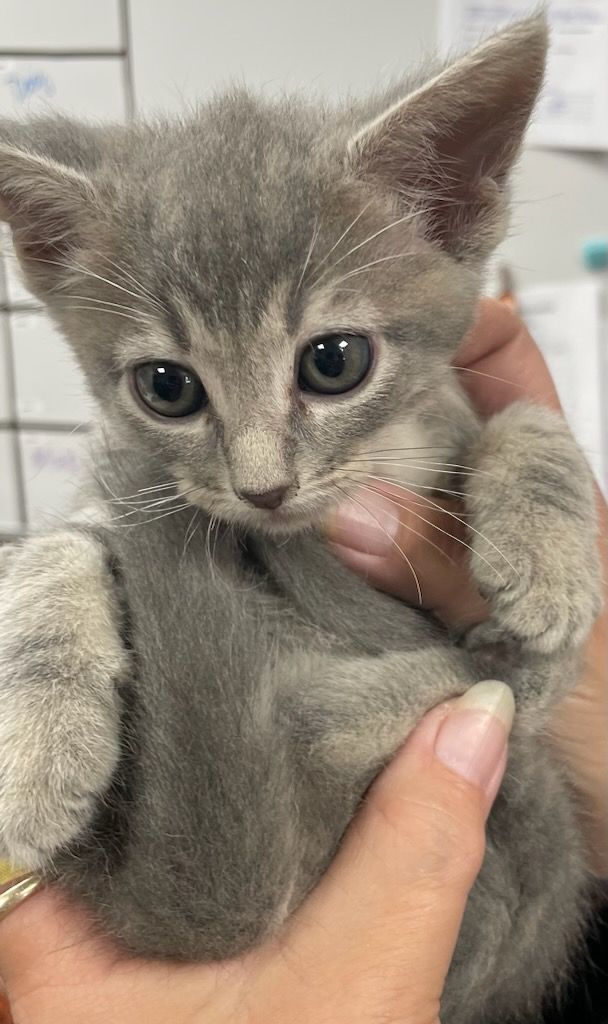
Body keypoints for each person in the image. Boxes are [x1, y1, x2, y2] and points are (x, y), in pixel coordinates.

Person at [0, 300, 605, 1024]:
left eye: (331, 362)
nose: (261, 477)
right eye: (171, 387)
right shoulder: (156, 479)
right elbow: (104, 539)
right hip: (229, 864)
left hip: (455, 897)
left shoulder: (450, 408)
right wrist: (52, 632)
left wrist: (532, 461)